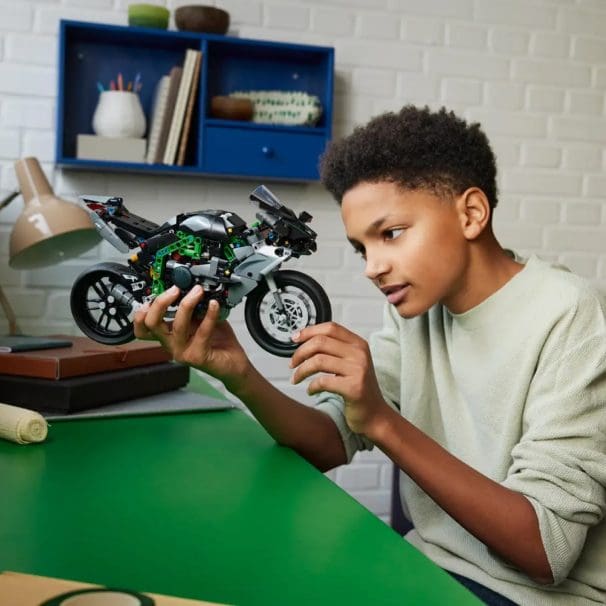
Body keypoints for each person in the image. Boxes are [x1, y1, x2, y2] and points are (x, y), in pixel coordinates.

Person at [134, 105, 606, 605]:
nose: (373, 268)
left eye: (391, 234)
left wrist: (380, 419)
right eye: (362, 248)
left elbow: (546, 550)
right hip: (422, 567)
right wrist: (238, 373)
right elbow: (330, 443)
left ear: (470, 213)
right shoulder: (417, 312)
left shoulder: (569, 315)